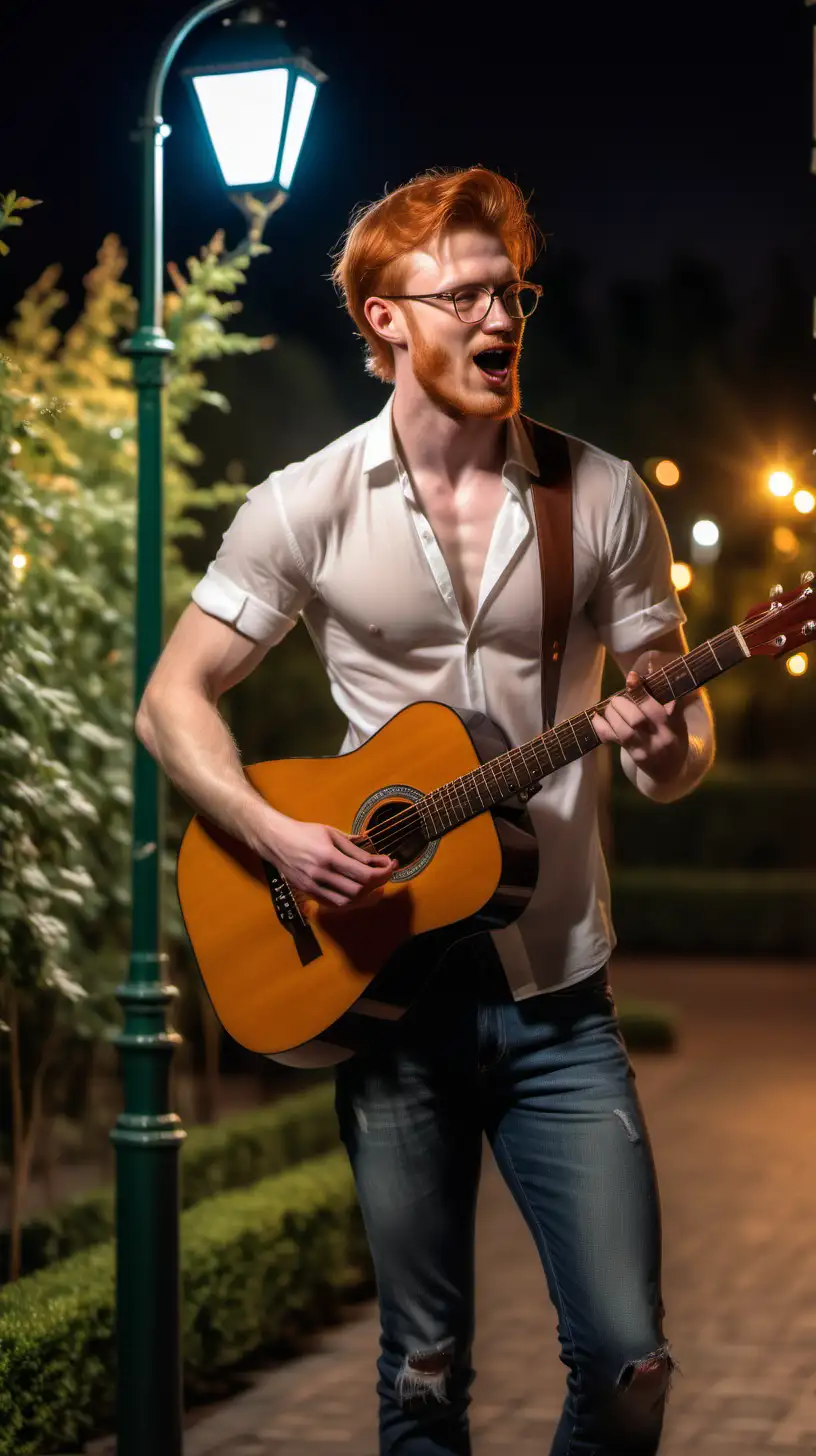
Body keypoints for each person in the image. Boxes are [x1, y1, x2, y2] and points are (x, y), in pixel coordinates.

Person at [136, 166, 715, 1456]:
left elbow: (677, 754)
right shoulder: (306, 504)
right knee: (420, 1379)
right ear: (384, 319)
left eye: (513, 290)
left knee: (629, 1365)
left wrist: (666, 746)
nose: (500, 316)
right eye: (464, 294)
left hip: (560, 997)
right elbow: (173, 701)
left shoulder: (604, 497)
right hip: (383, 992)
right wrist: (276, 833)